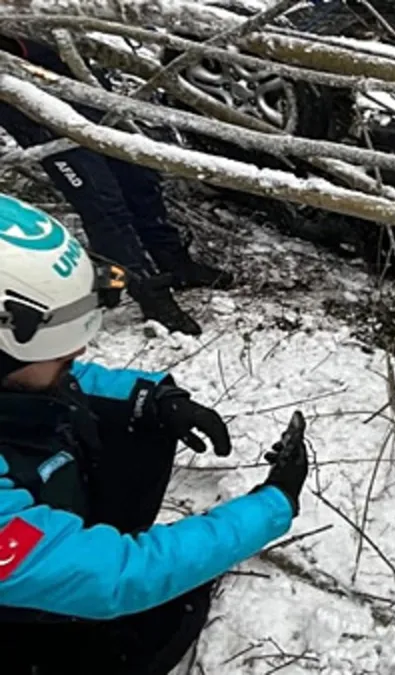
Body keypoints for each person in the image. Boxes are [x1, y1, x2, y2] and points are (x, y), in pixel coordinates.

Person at [0, 194, 309, 673]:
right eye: (59, 348)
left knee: (122, 420)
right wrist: (271, 505)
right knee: (154, 621)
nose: (78, 349)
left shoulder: (17, 376)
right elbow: (119, 576)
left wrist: (154, 400)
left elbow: (68, 381)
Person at [0, 35, 234, 336]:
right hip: (30, 104)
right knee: (101, 200)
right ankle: (149, 292)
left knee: (138, 176)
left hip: (79, 80)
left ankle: (174, 262)